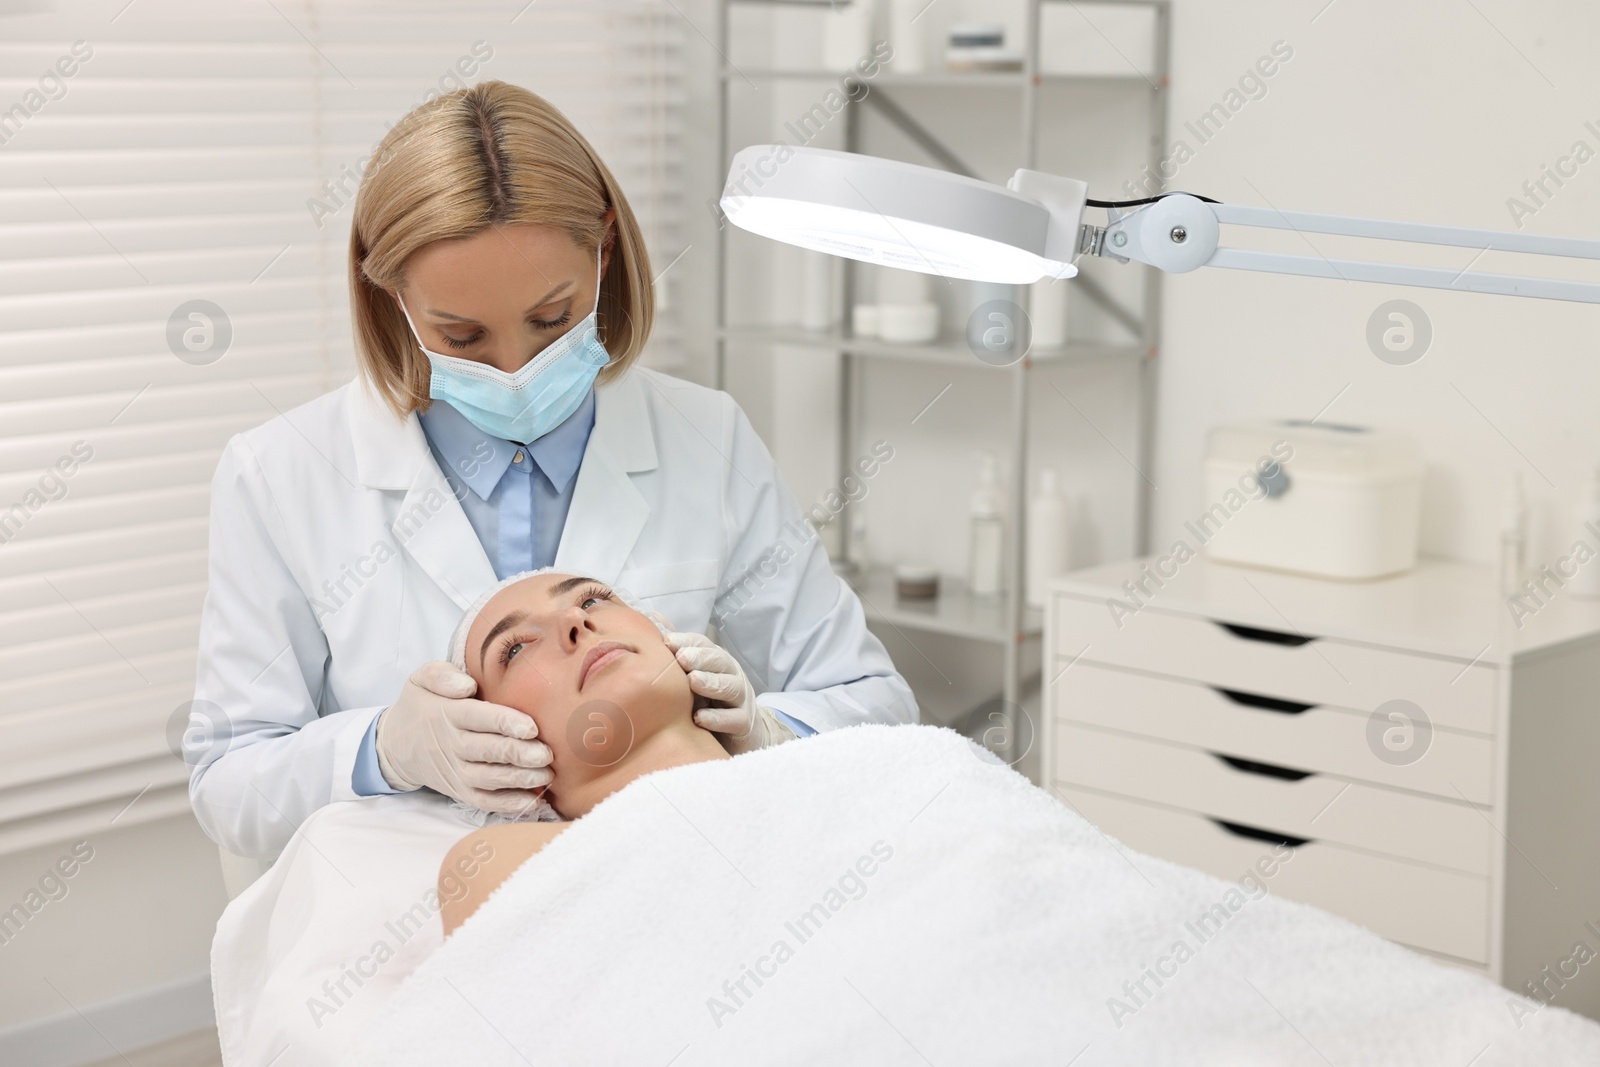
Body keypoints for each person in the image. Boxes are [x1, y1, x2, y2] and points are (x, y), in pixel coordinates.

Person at [187, 80, 916, 860]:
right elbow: (228, 777)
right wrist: (384, 748)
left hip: (678, 889)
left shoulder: (707, 437)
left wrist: (768, 728)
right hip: (408, 924)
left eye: (551, 318)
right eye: (462, 335)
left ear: (605, 248)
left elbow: (876, 703)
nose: (515, 367)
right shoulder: (282, 474)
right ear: (389, 290)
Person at [431, 567, 732, 934]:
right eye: (516, 649)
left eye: (592, 600)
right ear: (496, 752)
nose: (575, 618)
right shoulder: (494, 871)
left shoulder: (818, 770)